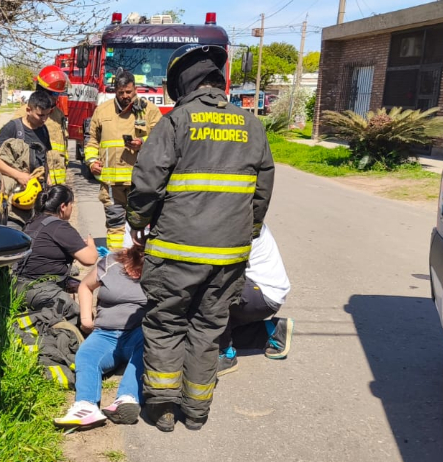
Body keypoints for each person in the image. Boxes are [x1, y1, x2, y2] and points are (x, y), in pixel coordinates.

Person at [126, 44, 275, 432]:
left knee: (166, 324)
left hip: (175, 252)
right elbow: (261, 191)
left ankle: (163, 409)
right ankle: (196, 410)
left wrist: (138, 219)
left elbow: (146, 182)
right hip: (229, 255)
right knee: (208, 328)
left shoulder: (175, 122)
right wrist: (249, 231)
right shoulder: (252, 125)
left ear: (184, 84)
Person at [54, 244, 148, 429]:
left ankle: (127, 399)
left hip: (139, 332)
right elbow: (85, 286)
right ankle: (86, 406)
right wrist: (86, 318)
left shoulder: (164, 269)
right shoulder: (112, 262)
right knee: (86, 355)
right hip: (105, 333)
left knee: (147, 350)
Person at [85, 69, 162, 250]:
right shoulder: (102, 111)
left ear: (135, 89)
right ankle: (115, 265)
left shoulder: (149, 110)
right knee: (115, 225)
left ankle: (138, 264)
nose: (125, 96)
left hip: (141, 182)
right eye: (121, 93)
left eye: (129, 92)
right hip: (112, 185)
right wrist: (91, 162)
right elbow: (91, 141)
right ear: (115, 91)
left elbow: (163, 139)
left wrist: (142, 143)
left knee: (140, 226)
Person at [217, 223, 293, 377]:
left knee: (208, 294)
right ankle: (271, 332)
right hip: (255, 291)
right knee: (198, 335)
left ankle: (224, 353)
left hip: (261, 292)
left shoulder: (233, 218)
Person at [15, 185, 98, 315]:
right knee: (83, 319)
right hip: (40, 291)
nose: (72, 208)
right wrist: (91, 244)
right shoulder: (60, 227)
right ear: (63, 207)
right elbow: (90, 259)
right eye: (71, 204)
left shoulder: (32, 223)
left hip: (19, 287)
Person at [0, 90, 57, 229]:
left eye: (47, 115)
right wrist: (19, 175)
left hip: (36, 200)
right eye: (40, 115)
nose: (44, 119)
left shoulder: (43, 130)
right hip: (14, 201)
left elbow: (44, 160)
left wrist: (48, 181)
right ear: (28, 110)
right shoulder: (12, 128)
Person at [13, 65, 70, 185]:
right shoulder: (23, 114)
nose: (56, 98)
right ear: (41, 91)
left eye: (58, 94)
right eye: (54, 94)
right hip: (34, 182)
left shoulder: (58, 114)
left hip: (57, 184)